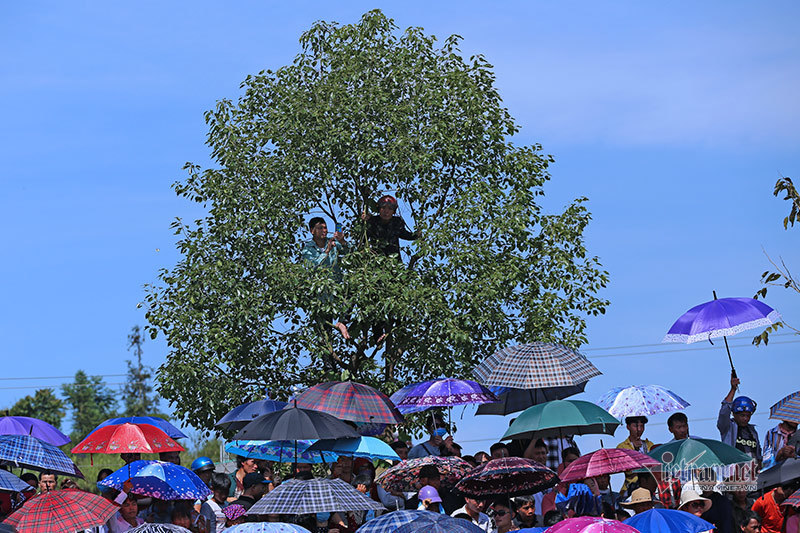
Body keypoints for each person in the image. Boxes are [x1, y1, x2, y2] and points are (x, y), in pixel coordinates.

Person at [301, 216, 350, 340]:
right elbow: (312, 267)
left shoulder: (334, 242)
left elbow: (351, 253)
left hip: (337, 289)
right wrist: (327, 251)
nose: (324, 230)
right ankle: (329, 357)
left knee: (351, 292)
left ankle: (342, 322)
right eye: (320, 228)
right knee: (324, 335)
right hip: (321, 297)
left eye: (325, 227)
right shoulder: (308, 249)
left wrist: (342, 241)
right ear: (312, 231)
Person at [717, 375, 762, 466]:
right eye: (742, 415)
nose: (745, 418)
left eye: (748, 415)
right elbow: (724, 411)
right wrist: (733, 389)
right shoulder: (728, 427)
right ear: (734, 413)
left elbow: (758, 454)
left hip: (751, 475)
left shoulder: (752, 431)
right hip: (733, 475)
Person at [617, 416, 654, 493]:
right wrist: (635, 452)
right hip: (631, 487)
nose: (639, 429)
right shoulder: (622, 447)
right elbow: (628, 471)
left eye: (642, 426)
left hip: (650, 486)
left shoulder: (649, 445)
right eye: (636, 426)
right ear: (628, 427)